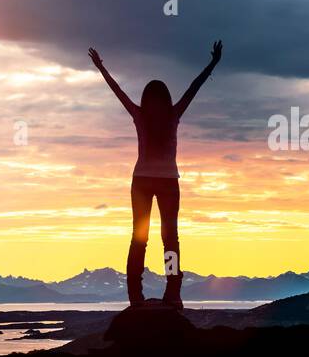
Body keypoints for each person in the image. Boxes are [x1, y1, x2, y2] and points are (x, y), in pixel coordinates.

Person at [88, 40, 222, 309]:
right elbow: (193, 89)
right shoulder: (173, 113)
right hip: (167, 182)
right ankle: (171, 294)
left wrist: (101, 68)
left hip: (144, 182)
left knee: (141, 237)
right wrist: (212, 64)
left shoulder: (141, 114)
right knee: (169, 238)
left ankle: (138, 297)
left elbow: (119, 92)